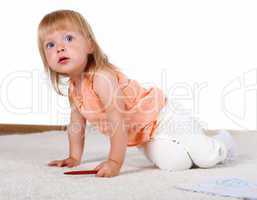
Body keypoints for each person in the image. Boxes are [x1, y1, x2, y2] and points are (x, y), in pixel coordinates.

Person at [37, 9, 236, 177]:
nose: (60, 48)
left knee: (207, 157)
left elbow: (117, 120)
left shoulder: (101, 77)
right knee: (175, 164)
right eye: (50, 45)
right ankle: (192, 146)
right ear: (46, 58)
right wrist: (74, 157)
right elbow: (76, 125)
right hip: (143, 135)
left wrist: (115, 161)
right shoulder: (74, 89)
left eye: (68, 38)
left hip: (163, 116)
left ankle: (221, 143)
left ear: (89, 45)